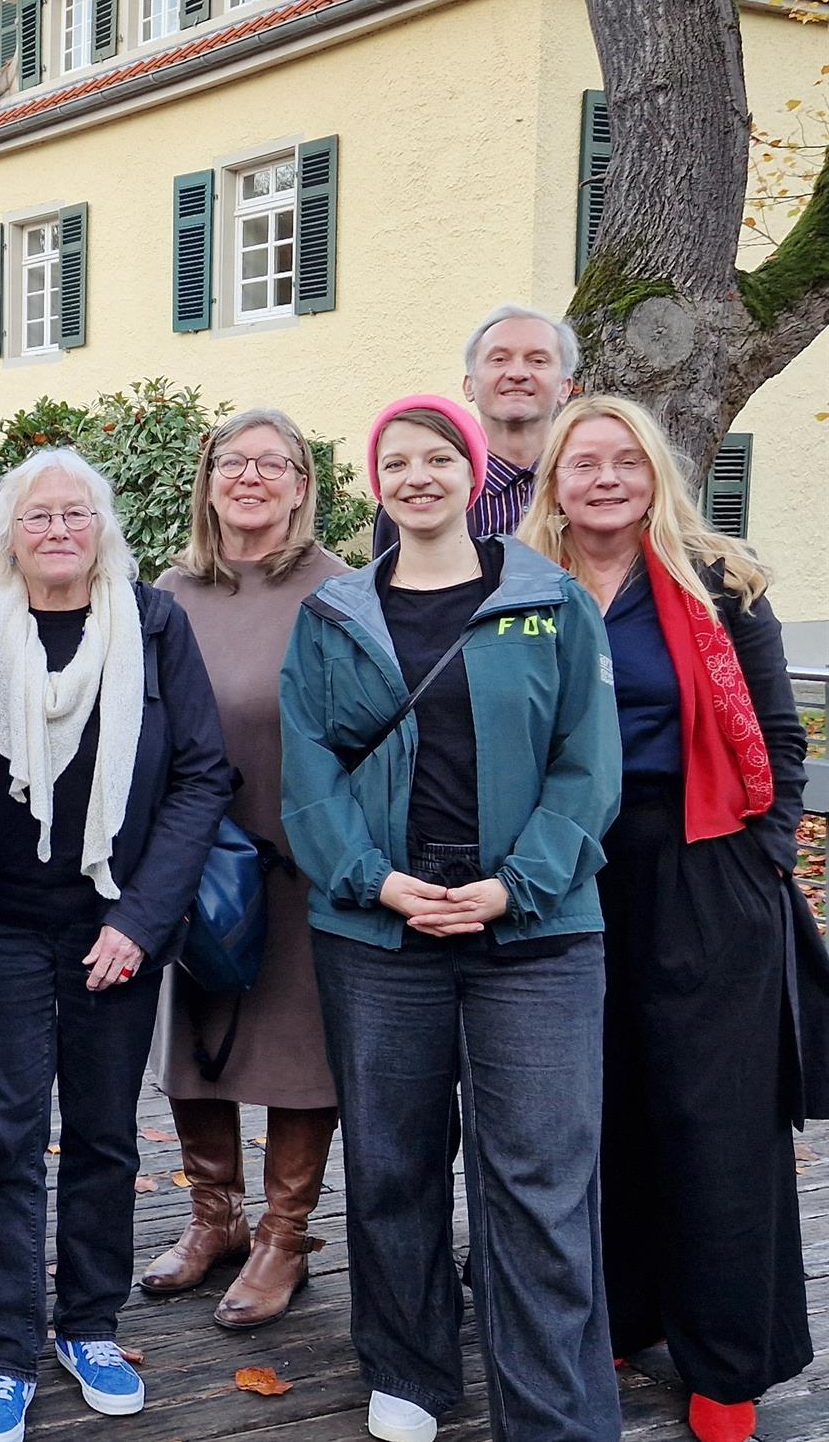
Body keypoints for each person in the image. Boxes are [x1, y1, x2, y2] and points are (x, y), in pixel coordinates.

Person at [280, 394, 622, 1442]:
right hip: (382, 934)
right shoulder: (334, 614)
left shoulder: (550, 602)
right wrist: (373, 881)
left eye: (439, 457)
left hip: (535, 934)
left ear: (475, 472)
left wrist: (514, 884)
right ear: (375, 483)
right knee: (392, 1161)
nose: (417, 476)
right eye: (397, 461)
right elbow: (308, 770)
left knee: (540, 1182)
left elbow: (588, 765)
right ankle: (411, 1371)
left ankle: (552, 1411)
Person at [522, 397, 820, 1442]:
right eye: (582, 463)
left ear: (655, 473)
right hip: (566, 871)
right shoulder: (524, 589)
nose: (604, 478)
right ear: (553, 481)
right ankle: (616, 1309)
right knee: (588, 1104)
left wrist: (762, 856)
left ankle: (728, 1361)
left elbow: (780, 739)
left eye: (624, 461)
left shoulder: (719, 585)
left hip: (701, 863)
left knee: (715, 1116)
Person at [0, 448, 234, 1442]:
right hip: (0, 926)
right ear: (7, 535)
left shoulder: (153, 624)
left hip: (116, 921)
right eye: (37, 516)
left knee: (104, 1133)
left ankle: (89, 1323)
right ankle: (7, 1350)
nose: (58, 530)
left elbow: (199, 776)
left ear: (103, 529)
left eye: (76, 514)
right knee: (7, 1138)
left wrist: (142, 922)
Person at [144, 409, 343, 1329]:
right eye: (234, 460)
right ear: (208, 477)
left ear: (304, 484)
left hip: (304, 855)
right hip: (194, 854)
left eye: (274, 463)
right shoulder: (170, 591)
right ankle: (212, 1216)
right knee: (199, 1031)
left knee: (300, 1046)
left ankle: (284, 1233)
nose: (251, 476)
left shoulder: (342, 590)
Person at [370, 305, 576, 557]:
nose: (518, 373)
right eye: (499, 359)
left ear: (565, 388)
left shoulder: (590, 485)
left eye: (538, 361)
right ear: (469, 385)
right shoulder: (420, 493)